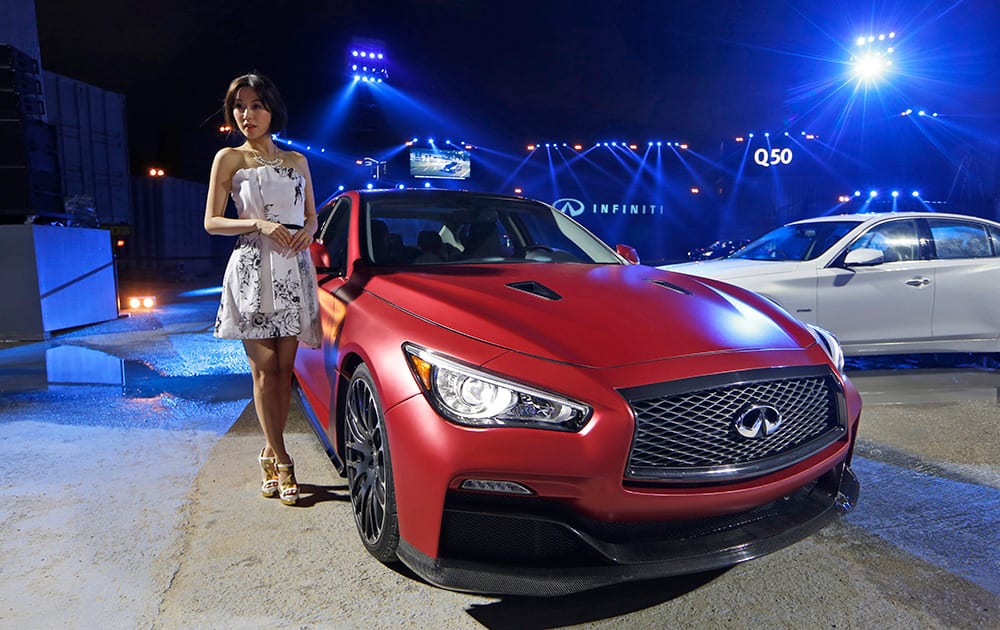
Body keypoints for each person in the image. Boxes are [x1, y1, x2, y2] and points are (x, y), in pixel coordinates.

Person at [204, 72, 321, 506]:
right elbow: (212, 221)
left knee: (285, 373)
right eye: (239, 106)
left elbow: (311, 215)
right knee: (264, 369)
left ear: (272, 109)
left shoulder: (297, 161)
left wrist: (308, 230)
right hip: (253, 266)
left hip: (292, 267)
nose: (246, 114)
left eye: (255, 105)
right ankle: (284, 460)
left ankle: (268, 452)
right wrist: (258, 222)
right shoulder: (230, 158)